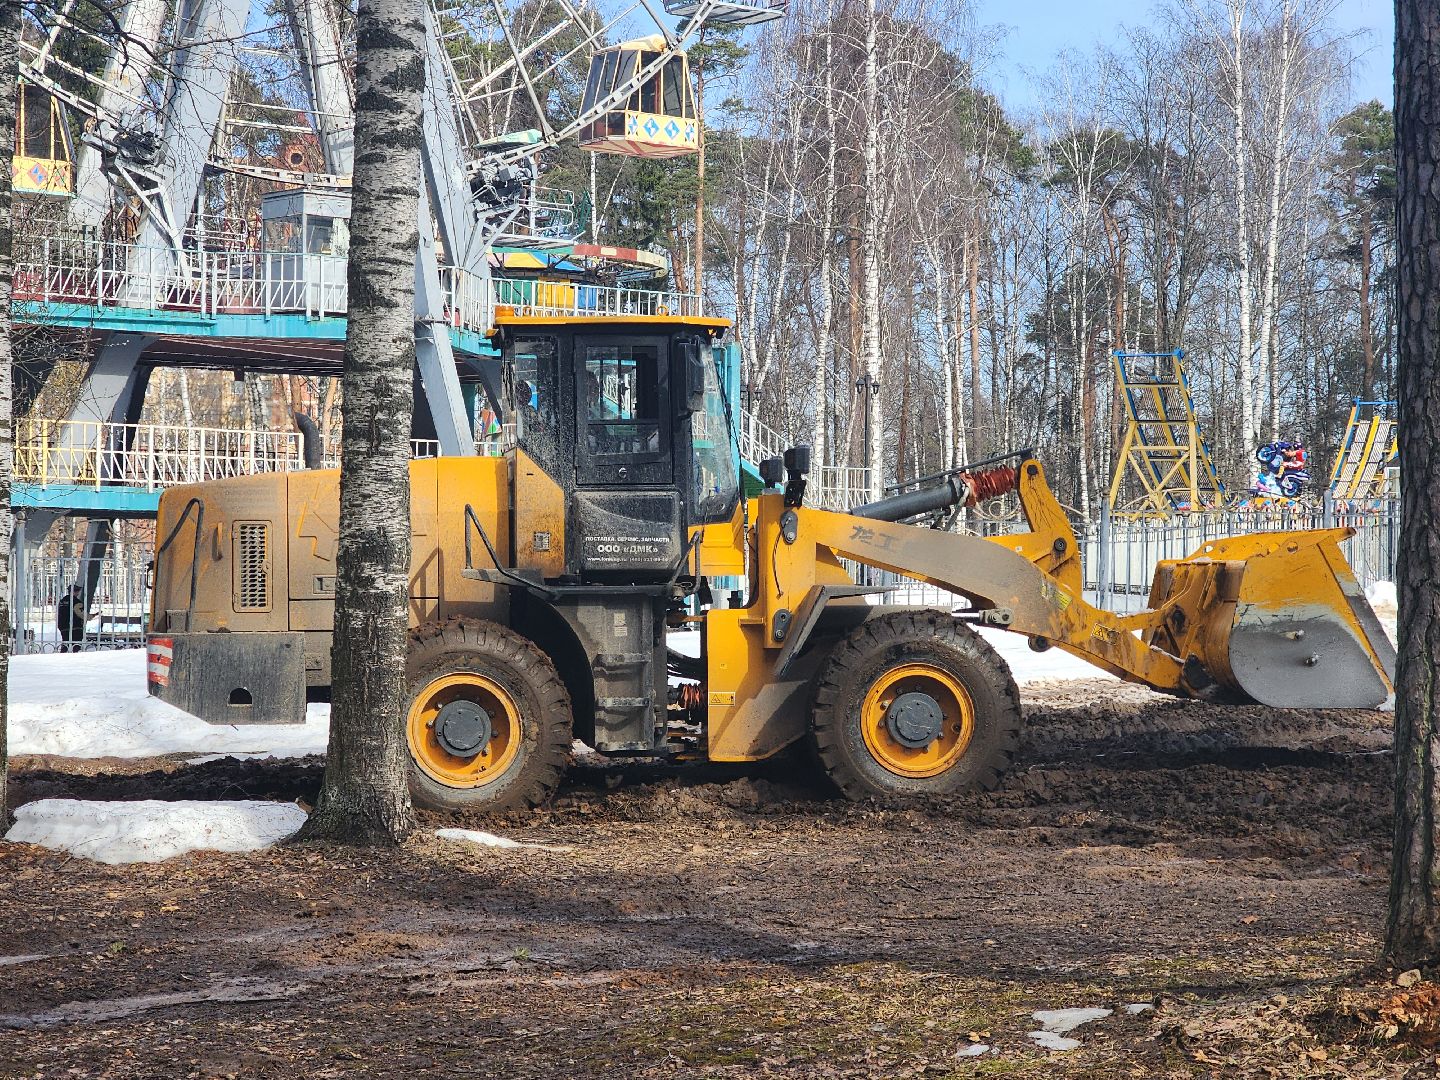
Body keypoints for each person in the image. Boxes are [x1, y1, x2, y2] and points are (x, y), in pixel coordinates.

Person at [58, 583, 87, 653]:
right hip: (75, 626)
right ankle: (75, 657)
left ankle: (62, 655)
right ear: (74, 592)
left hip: (63, 626)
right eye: (77, 591)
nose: (78, 593)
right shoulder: (77, 602)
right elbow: (81, 614)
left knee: (65, 643)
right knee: (76, 644)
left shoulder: (62, 601)